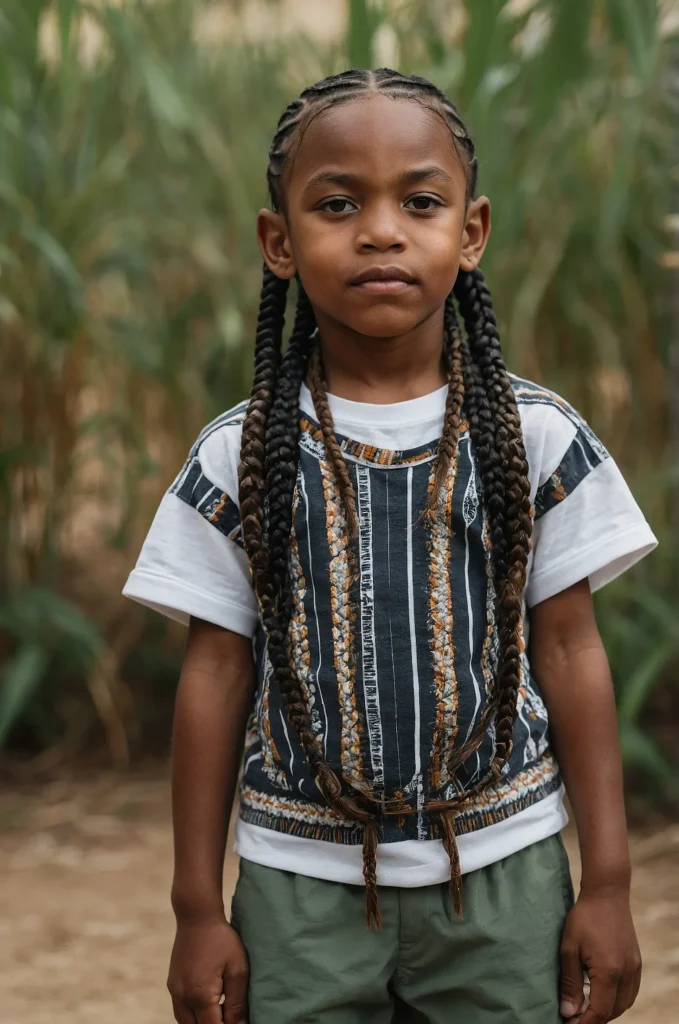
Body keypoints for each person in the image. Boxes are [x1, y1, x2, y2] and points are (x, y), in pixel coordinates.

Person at [123, 68, 657, 1024]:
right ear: (277, 243)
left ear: (472, 230)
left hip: (503, 873)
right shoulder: (241, 453)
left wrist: (608, 885)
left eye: (419, 200)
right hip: (298, 885)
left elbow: (571, 651)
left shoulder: (533, 439)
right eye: (337, 204)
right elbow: (213, 676)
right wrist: (196, 907)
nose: (379, 230)